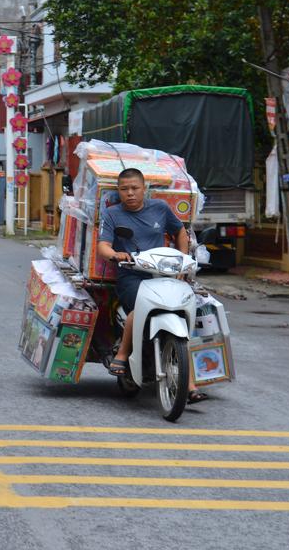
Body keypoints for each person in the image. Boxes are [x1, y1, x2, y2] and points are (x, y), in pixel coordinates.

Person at [97, 167, 207, 403]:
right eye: (124, 189)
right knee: (140, 309)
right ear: (118, 191)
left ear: (144, 188)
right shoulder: (112, 214)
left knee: (181, 314)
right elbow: (102, 246)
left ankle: (189, 384)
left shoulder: (160, 208)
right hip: (132, 276)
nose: (130, 193)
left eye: (135, 188)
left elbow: (180, 232)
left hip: (162, 273)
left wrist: (183, 260)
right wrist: (116, 254)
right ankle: (124, 354)